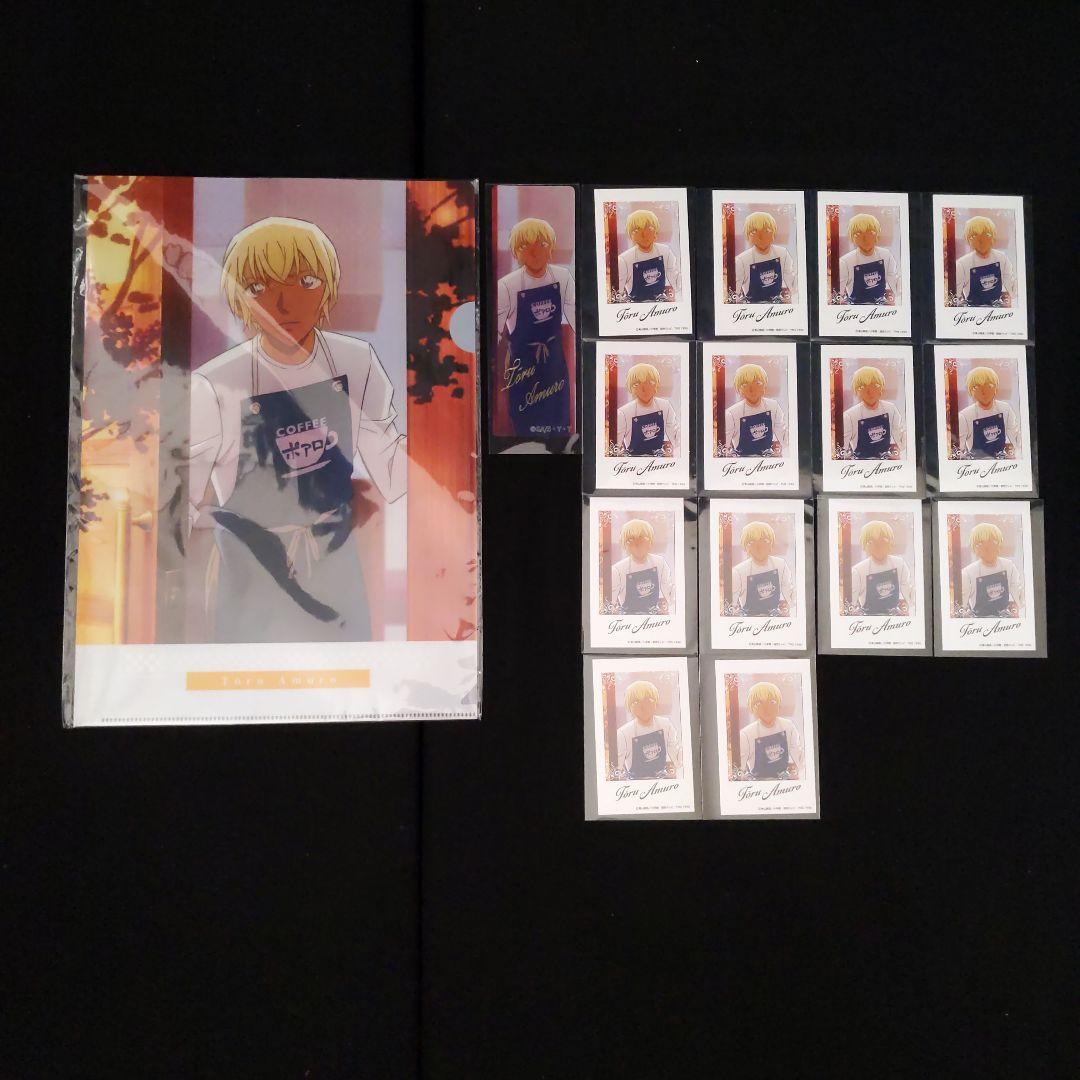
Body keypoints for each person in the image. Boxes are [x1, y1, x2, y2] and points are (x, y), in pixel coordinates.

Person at [188, 217, 407, 644]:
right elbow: (184, 500)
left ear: (327, 286)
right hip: (252, 574)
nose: (283, 304)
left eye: (305, 281)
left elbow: (392, 471)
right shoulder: (216, 383)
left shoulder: (356, 362)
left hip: (333, 565)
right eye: (258, 287)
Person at [496, 217, 575, 435]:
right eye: (524, 246)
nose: (534, 252)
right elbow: (493, 332)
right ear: (516, 252)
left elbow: (578, 320)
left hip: (554, 367)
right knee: (526, 430)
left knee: (558, 427)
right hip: (523, 370)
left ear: (551, 248)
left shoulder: (563, 277)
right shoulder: (507, 285)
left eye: (542, 244)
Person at [616, 680, 682, 780]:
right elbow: (617, 770)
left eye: (647, 700)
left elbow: (677, 760)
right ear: (629, 707)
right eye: (636, 702)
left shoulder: (665, 725)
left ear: (656, 702)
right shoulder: (623, 733)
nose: (643, 706)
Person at [737, 681, 804, 781]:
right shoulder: (746, 734)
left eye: (772, 702)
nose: (766, 708)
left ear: (779, 705)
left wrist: (800, 776)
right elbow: (740, 770)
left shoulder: (788, 726)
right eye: (759, 703)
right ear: (752, 708)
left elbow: (799, 758)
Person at [610, 518, 675, 616]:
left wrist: (668, 611)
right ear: (625, 545)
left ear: (650, 542)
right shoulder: (617, 570)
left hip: (653, 618)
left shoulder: (659, 563)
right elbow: (610, 604)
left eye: (642, 539)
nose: (637, 544)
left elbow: (669, 593)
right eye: (631, 540)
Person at [731, 521, 795, 617]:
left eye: (765, 541)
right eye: (752, 542)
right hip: (750, 622)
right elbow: (731, 607)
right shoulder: (738, 572)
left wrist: (789, 612)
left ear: (771, 544)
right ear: (746, 547)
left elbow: (790, 597)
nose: (759, 546)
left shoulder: (780, 565)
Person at [617, 208, 682, 303]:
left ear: (656, 232)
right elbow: (618, 293)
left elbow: (676, 281)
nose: (644, 234)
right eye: (637, 230)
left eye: (649, 228)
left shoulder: (665, 251)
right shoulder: (624, 260)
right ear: (631, 236)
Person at [850, 520, 913, 616]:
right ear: (864, 546)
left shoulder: (899, 564)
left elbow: (909, 597)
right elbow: (851, 606)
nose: (878, 546)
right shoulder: (858, 571)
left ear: (890, 543)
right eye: (871, 542)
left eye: (883, 540)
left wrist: (906, 610)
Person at [961, 522, 1023, 618]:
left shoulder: (1008, 566)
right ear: (974, 548)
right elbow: (961, 606)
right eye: (980, 543)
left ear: (999, 544)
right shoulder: (968, 573)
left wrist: (1019, 614)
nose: (987, 547)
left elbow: (1019, 596)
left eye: (992, 542)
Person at [724, 362, 787, 457]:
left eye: (757, 383)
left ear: (764, 386)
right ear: (739, 390)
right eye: (745, 385)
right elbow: (724, 447)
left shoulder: (773, 406)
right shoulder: (731, 414)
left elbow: (783, 437)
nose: (751, 389)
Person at [734, 210, 797, 304]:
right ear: (748, 236)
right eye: (754, 232)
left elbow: (792, 284)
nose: (761, 236)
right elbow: (734, 293)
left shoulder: (782, 253)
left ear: (773, 233)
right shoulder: (741, 260)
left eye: (766, 231)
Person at [616, 362, 677, 457]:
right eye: (637, 384)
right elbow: (615, 446)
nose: (644, 388)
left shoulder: (665, 406)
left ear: (656, 385)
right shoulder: (623, 413)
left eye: (650, 382)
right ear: (631, 388)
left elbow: (675, 436)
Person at [842, 365, 904, 460]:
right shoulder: (849, 416)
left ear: (881, 388)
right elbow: (842, 450)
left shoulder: (890, 409)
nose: (869, 391)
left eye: (874, 385)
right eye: (862, 387)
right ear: (857, 392)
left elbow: (901, 439)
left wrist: (897, 453)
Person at [958, 366, 1020, 459]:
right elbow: (959, 451)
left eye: (989, 386)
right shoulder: (964, 416)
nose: (983, 391)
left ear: (996, 388)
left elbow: (1016, 437)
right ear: (970, 391)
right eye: (976, 387)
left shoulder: (1005, 409)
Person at [839, 212, 899, 306]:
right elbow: (838, 295)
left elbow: (895, 283)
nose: (865, 238)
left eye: (870, 232)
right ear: (852, 238)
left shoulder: (886, 255)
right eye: (858, 234)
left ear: (877, 235)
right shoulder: (845, 262)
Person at [955, 216, 1016, 308]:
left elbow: (1011, 288)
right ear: (968, 241)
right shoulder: (962, 264)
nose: (981, 240)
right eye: (974, 236)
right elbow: (955, 297)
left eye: (986, 235)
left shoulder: (1002, 258)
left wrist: (1008, 301)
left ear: (993, 237)